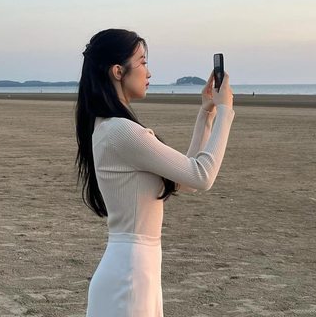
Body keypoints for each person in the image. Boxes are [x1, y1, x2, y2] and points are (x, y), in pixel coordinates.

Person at [74, 28, 235, 317]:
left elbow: (187, 180)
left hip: (136, 270)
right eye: (143, 62)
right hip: (130, 275)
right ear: (118, 71)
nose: (149, 72)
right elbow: (202, 176)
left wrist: (207, 113)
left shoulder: (111, 128)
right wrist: (225, 111)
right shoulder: (121, 131)